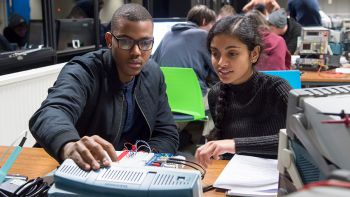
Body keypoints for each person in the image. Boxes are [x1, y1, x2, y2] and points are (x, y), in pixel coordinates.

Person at [29, 3, 179, 171]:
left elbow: (166, 134)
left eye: (145, 43)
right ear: (109, 40)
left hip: (128, 170)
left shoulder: (153, 74)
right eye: (125, 42)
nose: (137, 51)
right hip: (83, 168)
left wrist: (142, 159)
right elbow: (49, 113)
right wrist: (68, 145)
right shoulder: (84, 70)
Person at [195, 14, 292, 168]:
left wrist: (235, 144)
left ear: (253, 54)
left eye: (232, 54)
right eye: (215, 54)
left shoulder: (277, 89)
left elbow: (300, 141)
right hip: (234, 176)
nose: (221, 63)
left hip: (275, 178)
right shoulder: (216, 93)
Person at [152, 4, 218, 97]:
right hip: (194, 98)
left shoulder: (168, 34)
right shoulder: (203, 35)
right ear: (204, 21)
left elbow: (153, 63)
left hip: (165, 97)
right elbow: (216, 68)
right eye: (212, 25)